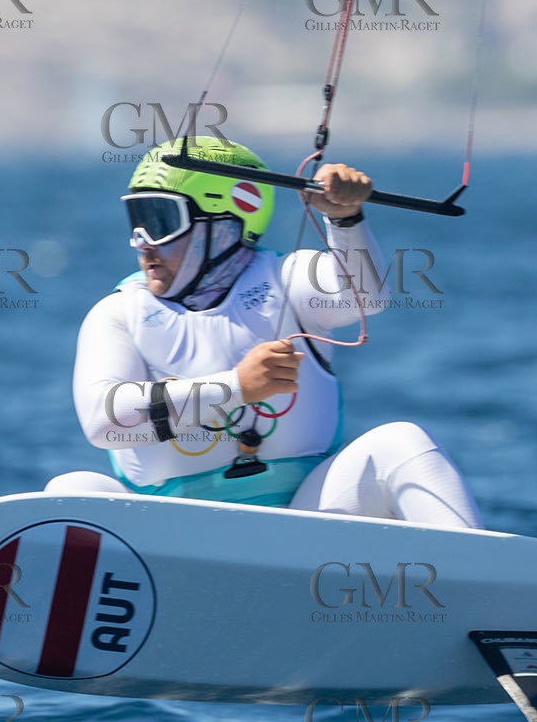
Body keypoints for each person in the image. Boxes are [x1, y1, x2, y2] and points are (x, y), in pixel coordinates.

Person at [46, 136, 484, 531]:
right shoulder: (117, 313)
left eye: (158, 219)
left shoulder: (289, 278)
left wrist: (346, 220)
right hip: (168, 534)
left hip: (302, 523)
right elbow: (105, 422)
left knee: (402, 442)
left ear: (222, 222)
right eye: (134, 219)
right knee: (73, 487)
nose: (141, 241)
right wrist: (237, 387)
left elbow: (364, 299)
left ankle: (492, 585)